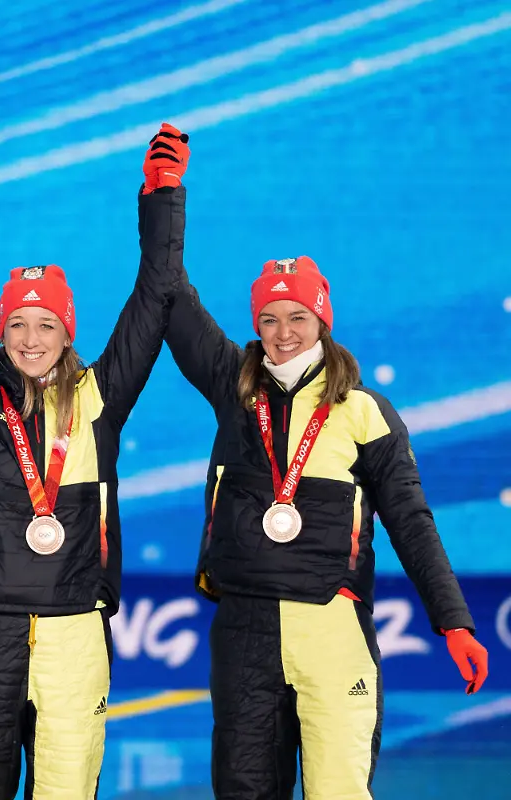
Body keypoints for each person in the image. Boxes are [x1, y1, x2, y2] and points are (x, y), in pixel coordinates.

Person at [0, 119, 190, 798]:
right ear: (2, 330)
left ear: (67, 331)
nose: (31, 339)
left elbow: (154, 295)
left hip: (74, 631)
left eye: (46, 324)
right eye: (18, 324)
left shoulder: (99, 397)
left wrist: (163, 195)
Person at [165, 252, 491, 798]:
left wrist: (453, 621)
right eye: (269, 318)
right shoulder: (234, 390)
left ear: (322, 320)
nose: (283, 332)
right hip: (245, 631)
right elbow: (172, 296)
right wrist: (163, 195)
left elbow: (413, 524)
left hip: (333, 632)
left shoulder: (364, 411)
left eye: (297, 316)